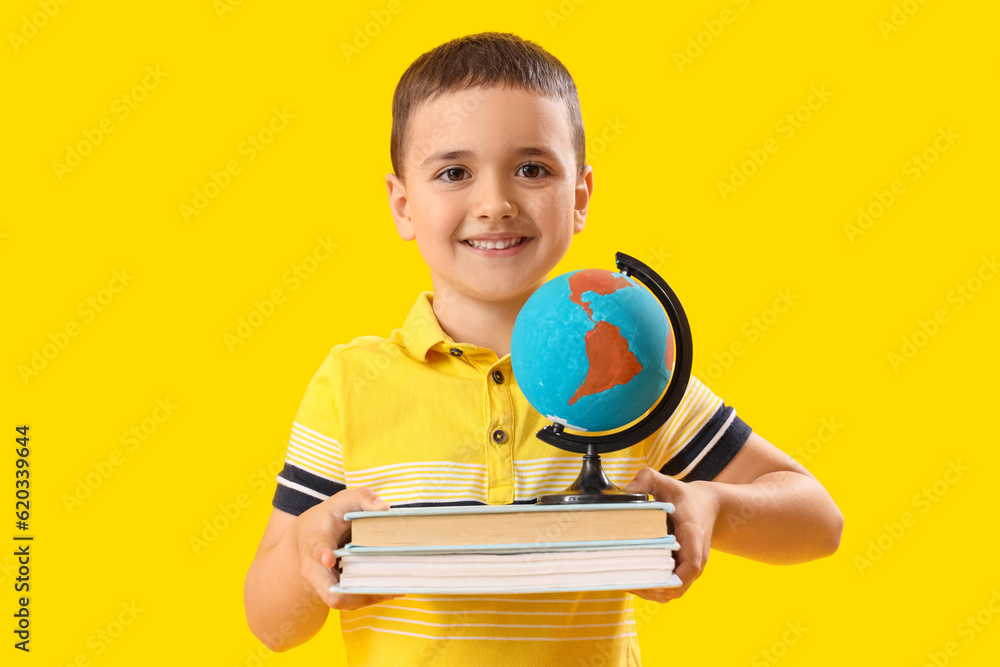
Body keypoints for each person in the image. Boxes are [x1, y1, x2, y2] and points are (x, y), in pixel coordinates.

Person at [243, 32, 843, 666]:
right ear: (402, 205)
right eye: (454, 172)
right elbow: (271, 625)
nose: (495, 203)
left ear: (579, 197)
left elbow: (818, 521)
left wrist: (714, 505)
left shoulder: (626, 368)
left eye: (532, 169)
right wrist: (306, 549)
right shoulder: (351, 384)